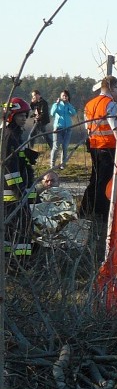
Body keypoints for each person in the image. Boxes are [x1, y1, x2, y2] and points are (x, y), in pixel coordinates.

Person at [80, 76, 117, 219]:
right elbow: (115, 128)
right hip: (108, 147)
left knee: (95, 179)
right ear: (112, 88)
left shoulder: (89, 105)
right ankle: (100, 212)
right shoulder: (111, 105)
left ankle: (85, 209)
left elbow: (87, 127)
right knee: (104, 181)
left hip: (94, 146)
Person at [3, 97, 36, 264]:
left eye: (25, 115)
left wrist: (28, 158)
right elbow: (9, 166)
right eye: (20, 115)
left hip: (19, 190)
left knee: (23, 226)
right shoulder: (9, 136)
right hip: (11, 194)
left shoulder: (16, 135)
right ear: (11, 116)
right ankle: (16, 264)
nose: (24, 118)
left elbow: (18, 159)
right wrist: (18, 190)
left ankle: (20, 262)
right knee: (20, 227)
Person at [49, 89, 77, 169]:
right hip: (58, 128)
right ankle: (52, 164)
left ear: (68, 97)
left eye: (66, 96)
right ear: (60, 97)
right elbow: (52, 113)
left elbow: (74, 113)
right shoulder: (57, 105)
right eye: (63, 96)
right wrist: (56, 104)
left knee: (65, 146)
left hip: (68, 128)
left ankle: (63, 164)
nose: (64, 97)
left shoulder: (69, 105)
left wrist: (69, 105)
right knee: (56, 147)